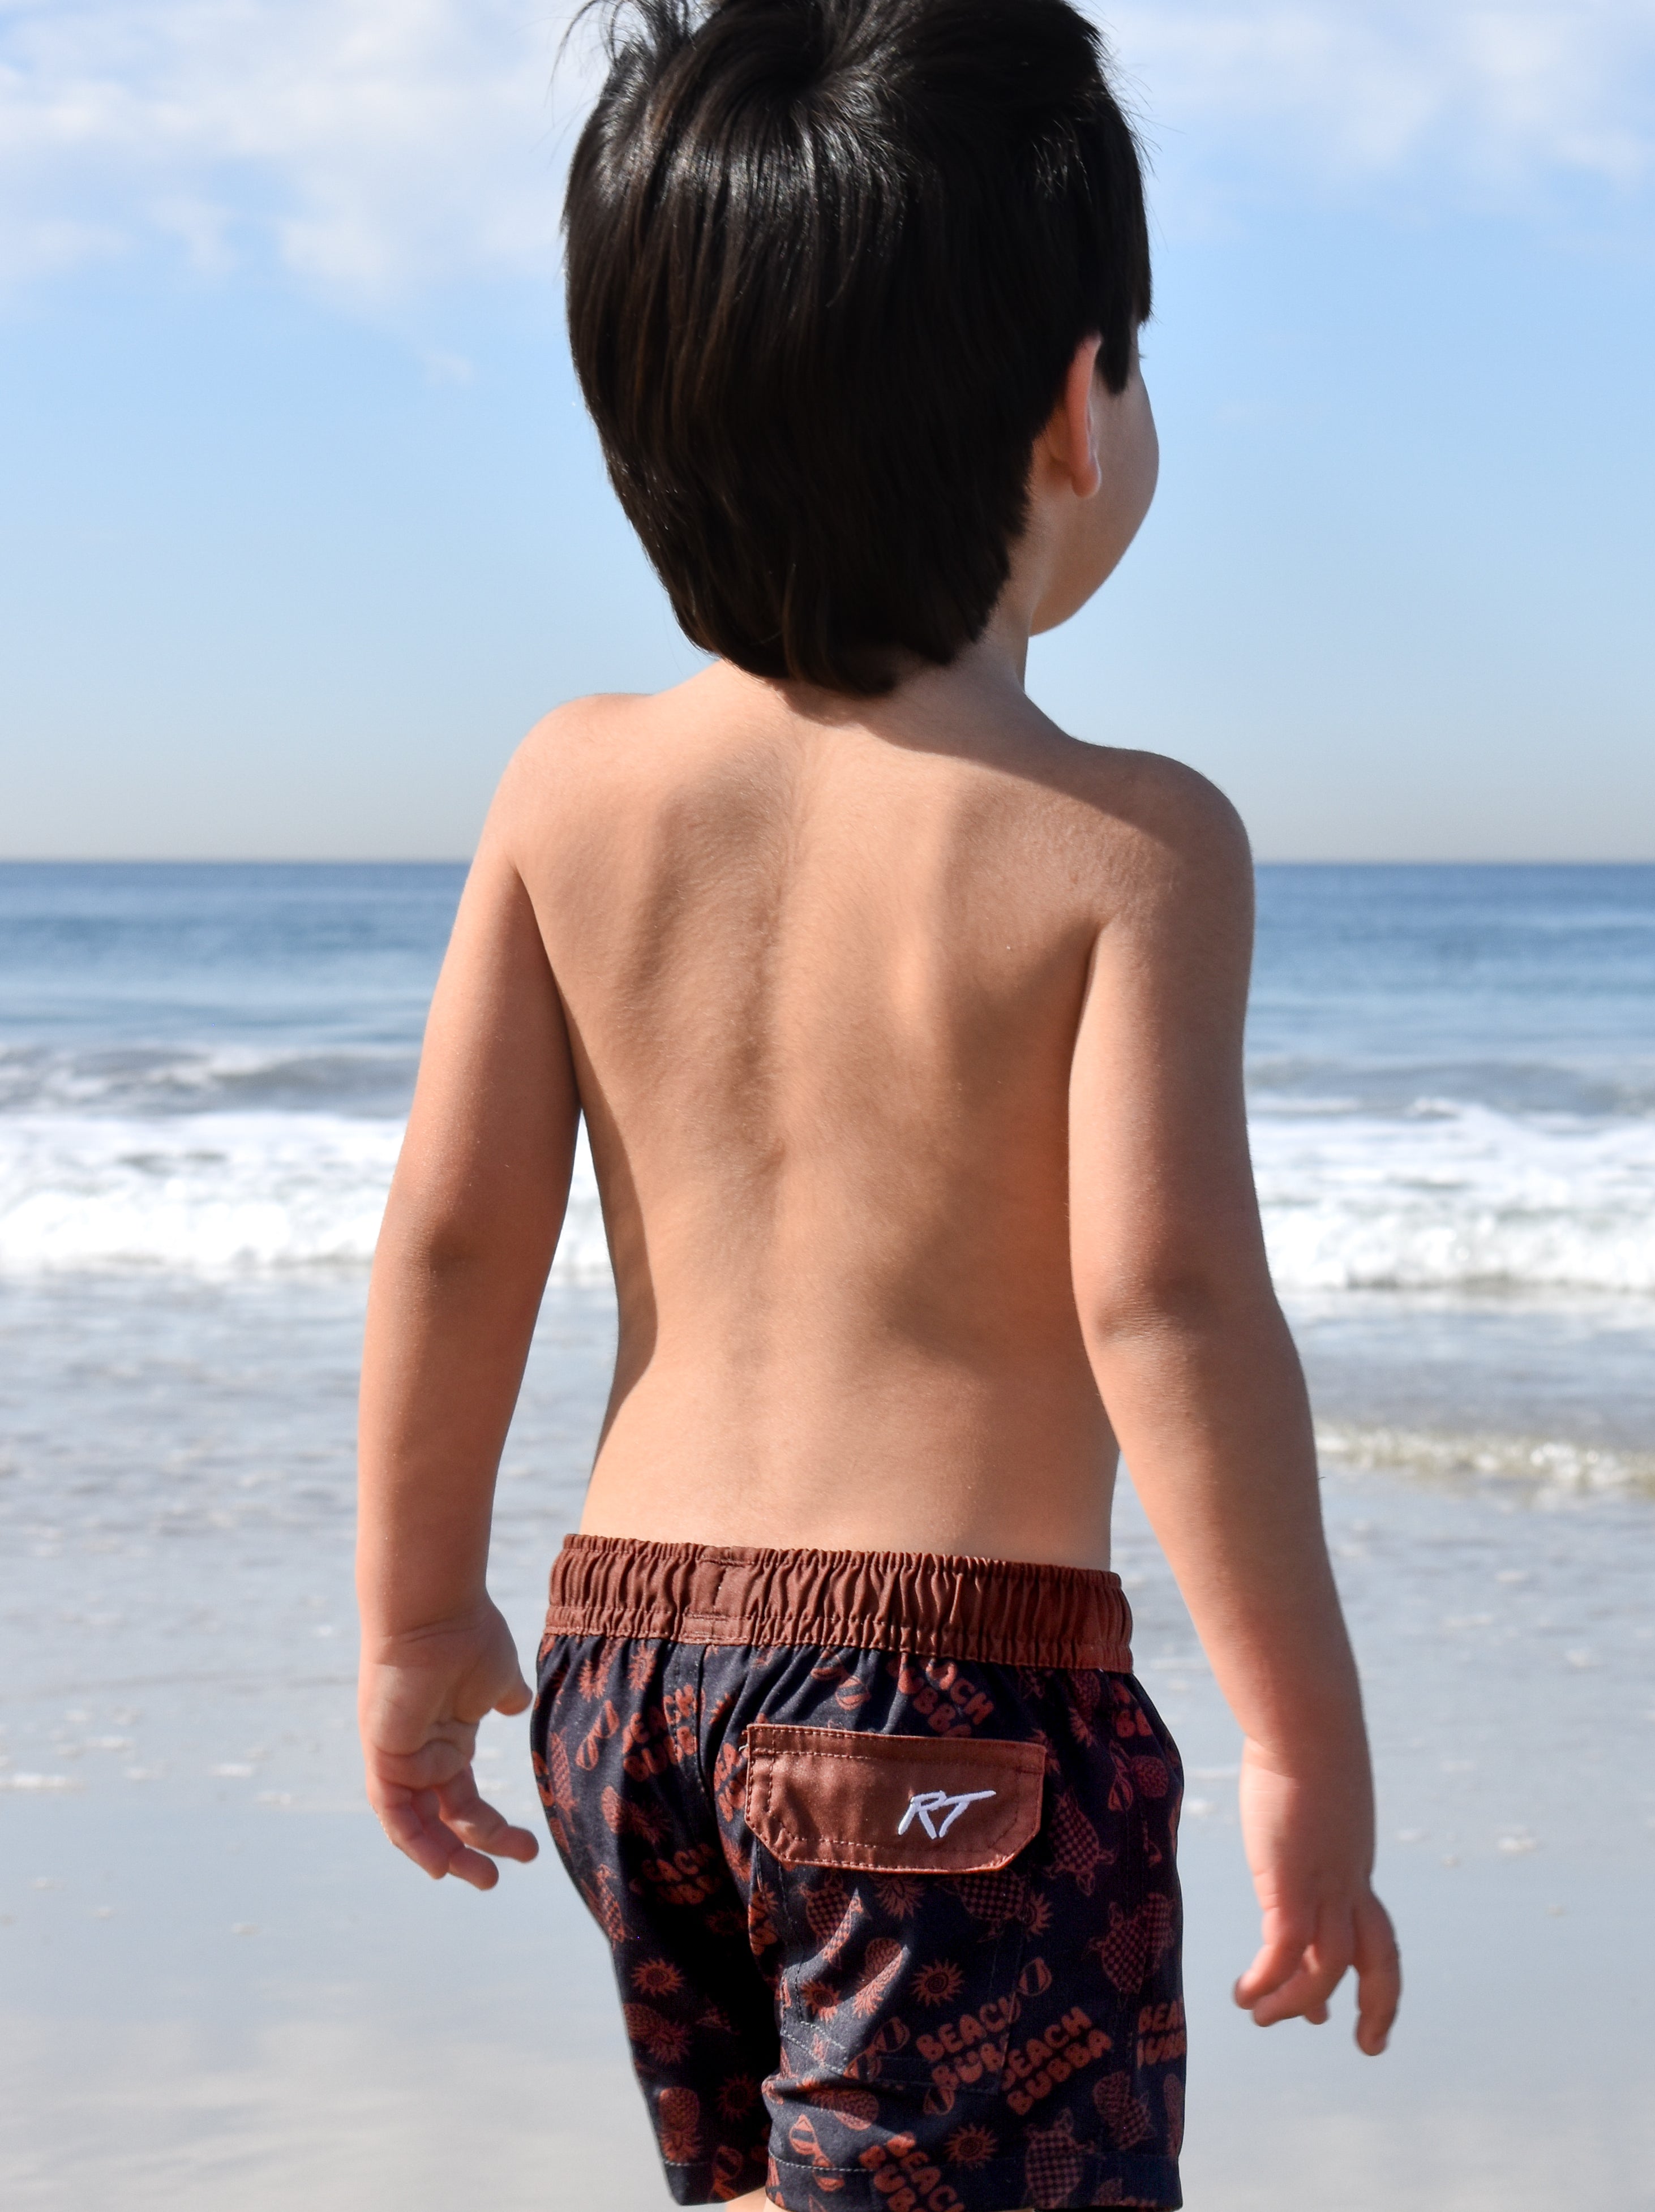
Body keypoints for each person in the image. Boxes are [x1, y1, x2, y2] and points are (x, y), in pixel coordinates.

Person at [353, 1, 1399, 2204]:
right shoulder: (1131, 842)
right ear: (1073, 418)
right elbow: (1174, 1303)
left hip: (622, 1677)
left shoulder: (570, 788)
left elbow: (454, 1236)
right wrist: (1308, 1752)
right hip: (949, 1711)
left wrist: (418, 1608)